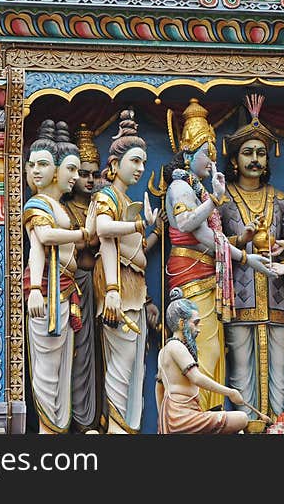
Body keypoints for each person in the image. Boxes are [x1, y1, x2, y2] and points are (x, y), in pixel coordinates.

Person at [165, 98, 275, 411]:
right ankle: (193, 416)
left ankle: (209, 415)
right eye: (207, 153)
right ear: (188, 152)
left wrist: (241, 239)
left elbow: (212, 237)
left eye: (214, 153)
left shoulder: (196, 189)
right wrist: (216, 200)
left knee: (213, 350)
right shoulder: (180, 188)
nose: (212, 160)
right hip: (190, 275)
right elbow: (189, 225)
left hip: (205, 277)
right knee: (201, 349)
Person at [219, 94, 284, 419]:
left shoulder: (281, 200)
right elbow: (214, 244)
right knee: (241, 370)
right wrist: (241, 239)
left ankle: (278, 424)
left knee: (279, 372)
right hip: (238, 295)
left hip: (276, 296)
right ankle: (247, 426)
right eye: (247, 152)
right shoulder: (223, 201)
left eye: (261, 153)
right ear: (234, 159)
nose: (255, 159)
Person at [90, 109, 159, 434]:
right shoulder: (107, 195)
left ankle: (126, 429)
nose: (141, 169)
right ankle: (117, 431)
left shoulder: (125, 199)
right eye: (135, 161)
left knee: (134, 368)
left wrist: (155, 231)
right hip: (116, 289)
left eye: (143, 162)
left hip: (134, 288)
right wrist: (113, 292)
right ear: (115, 164)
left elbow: (136, 250)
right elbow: (104, 231)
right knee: (120, 367)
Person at [22, 120, 87, 434]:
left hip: (63, 290)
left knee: (64, 367)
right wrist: (35, 287)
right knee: (48, 370)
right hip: (47, 291)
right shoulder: (37, 204)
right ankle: (49, 430)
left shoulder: (56, 205)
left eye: (42, 164)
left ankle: (58, 428)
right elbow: (41, 241)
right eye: (33, 164)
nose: (35, 171)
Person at [156, 288, 249, 434]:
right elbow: (196, 377)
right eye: (196, 323)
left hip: (177, 414)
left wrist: (162, 420)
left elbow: (159, 388)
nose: (199, 328)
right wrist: (230, 392)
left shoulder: (164, 351)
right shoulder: (176, 346)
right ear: (182, 323)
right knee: (242, 418)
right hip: (182, 416)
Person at [62, 123, 105, 433]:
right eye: (83, 173)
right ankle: (80, 420)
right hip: (74, 287)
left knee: (105, 356)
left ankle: (101, 420)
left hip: (103, 286)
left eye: (94, 173)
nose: (89, 180)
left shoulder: (103, 207)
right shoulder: (61, 209)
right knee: (79, 353)